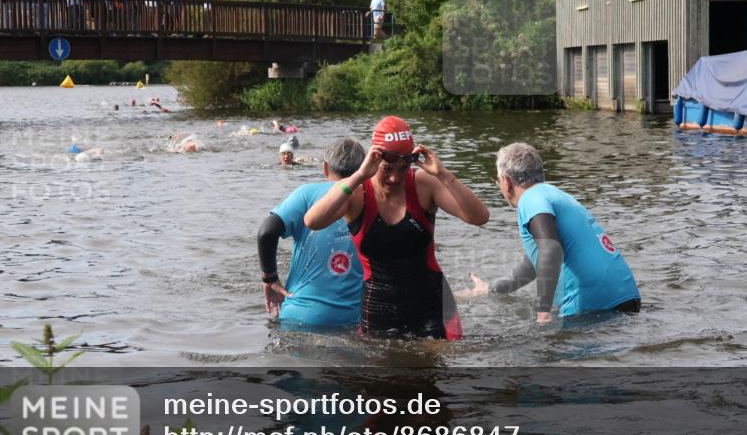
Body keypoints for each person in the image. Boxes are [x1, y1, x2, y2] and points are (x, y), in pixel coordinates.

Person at [305, 116, 489, 339]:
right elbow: (313, 221)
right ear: (374, 159)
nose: (394, 177)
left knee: (440, 361)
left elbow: (479, 217)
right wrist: (359, 176)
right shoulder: (357, 191)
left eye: (403, 168)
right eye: (387, 168)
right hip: (378, 306)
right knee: (382, 362)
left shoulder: (424, 184)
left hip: (432, 302)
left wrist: (442, 174)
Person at [460, 142, 640, 324]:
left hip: (592, 308)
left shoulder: (530, 199)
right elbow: (530, 268)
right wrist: (490, 289)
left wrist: (543, 310)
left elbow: (551, 250)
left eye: (498, 180)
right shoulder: (556, 196)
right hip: (627, 298)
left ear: (506, 182)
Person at [258, 139, 366, 328]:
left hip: (300, 317)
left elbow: (266, 231)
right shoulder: (372, 197)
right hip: (355, 320)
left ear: (325, 168)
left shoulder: (307, 194)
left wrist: (270, 279)